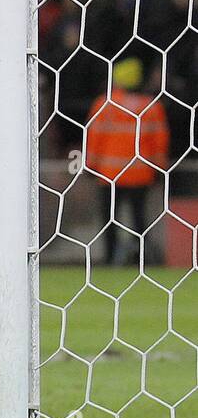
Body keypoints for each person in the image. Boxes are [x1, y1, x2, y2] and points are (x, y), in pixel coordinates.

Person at [84, 57, 169, 266]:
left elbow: (93, 138)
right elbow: (160, 142)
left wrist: (89, 166)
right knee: (139, 218)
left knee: (109, 219)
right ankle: (139, 259)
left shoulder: (104, 104)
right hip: (140, 173)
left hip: (109, 173)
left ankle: (111, 257)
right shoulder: (151, 107)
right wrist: (160, 170)